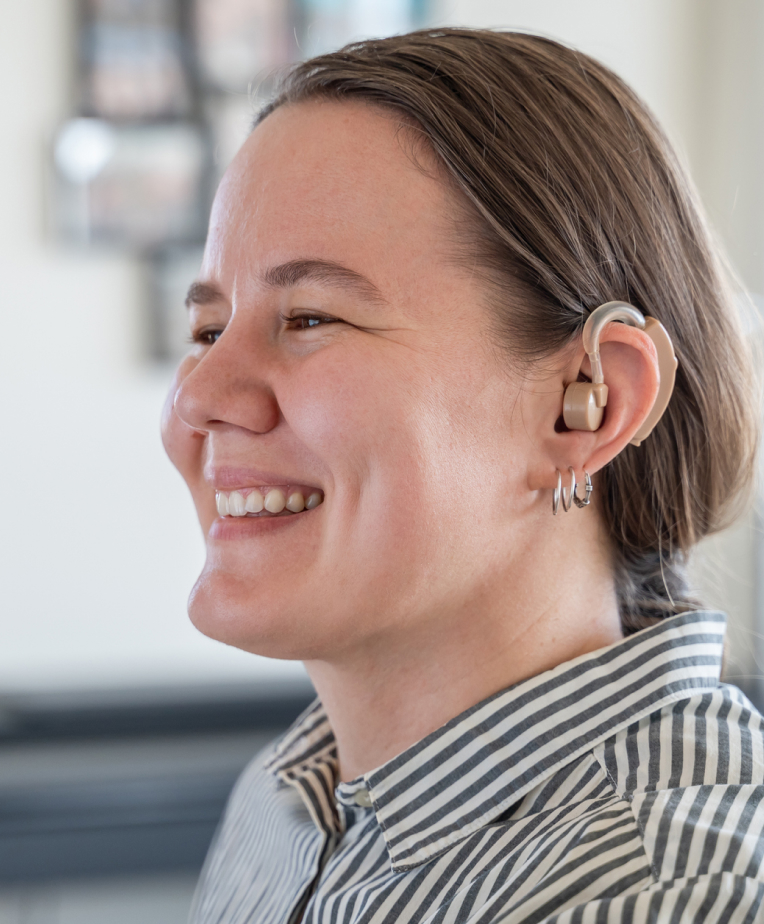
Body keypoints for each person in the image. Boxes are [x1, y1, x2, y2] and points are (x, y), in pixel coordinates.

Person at [161, 28, 763, 924]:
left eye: (312, 316)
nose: (200, 398)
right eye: (209, 330)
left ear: (587, 401)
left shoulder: (666, 889)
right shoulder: (287, 796)